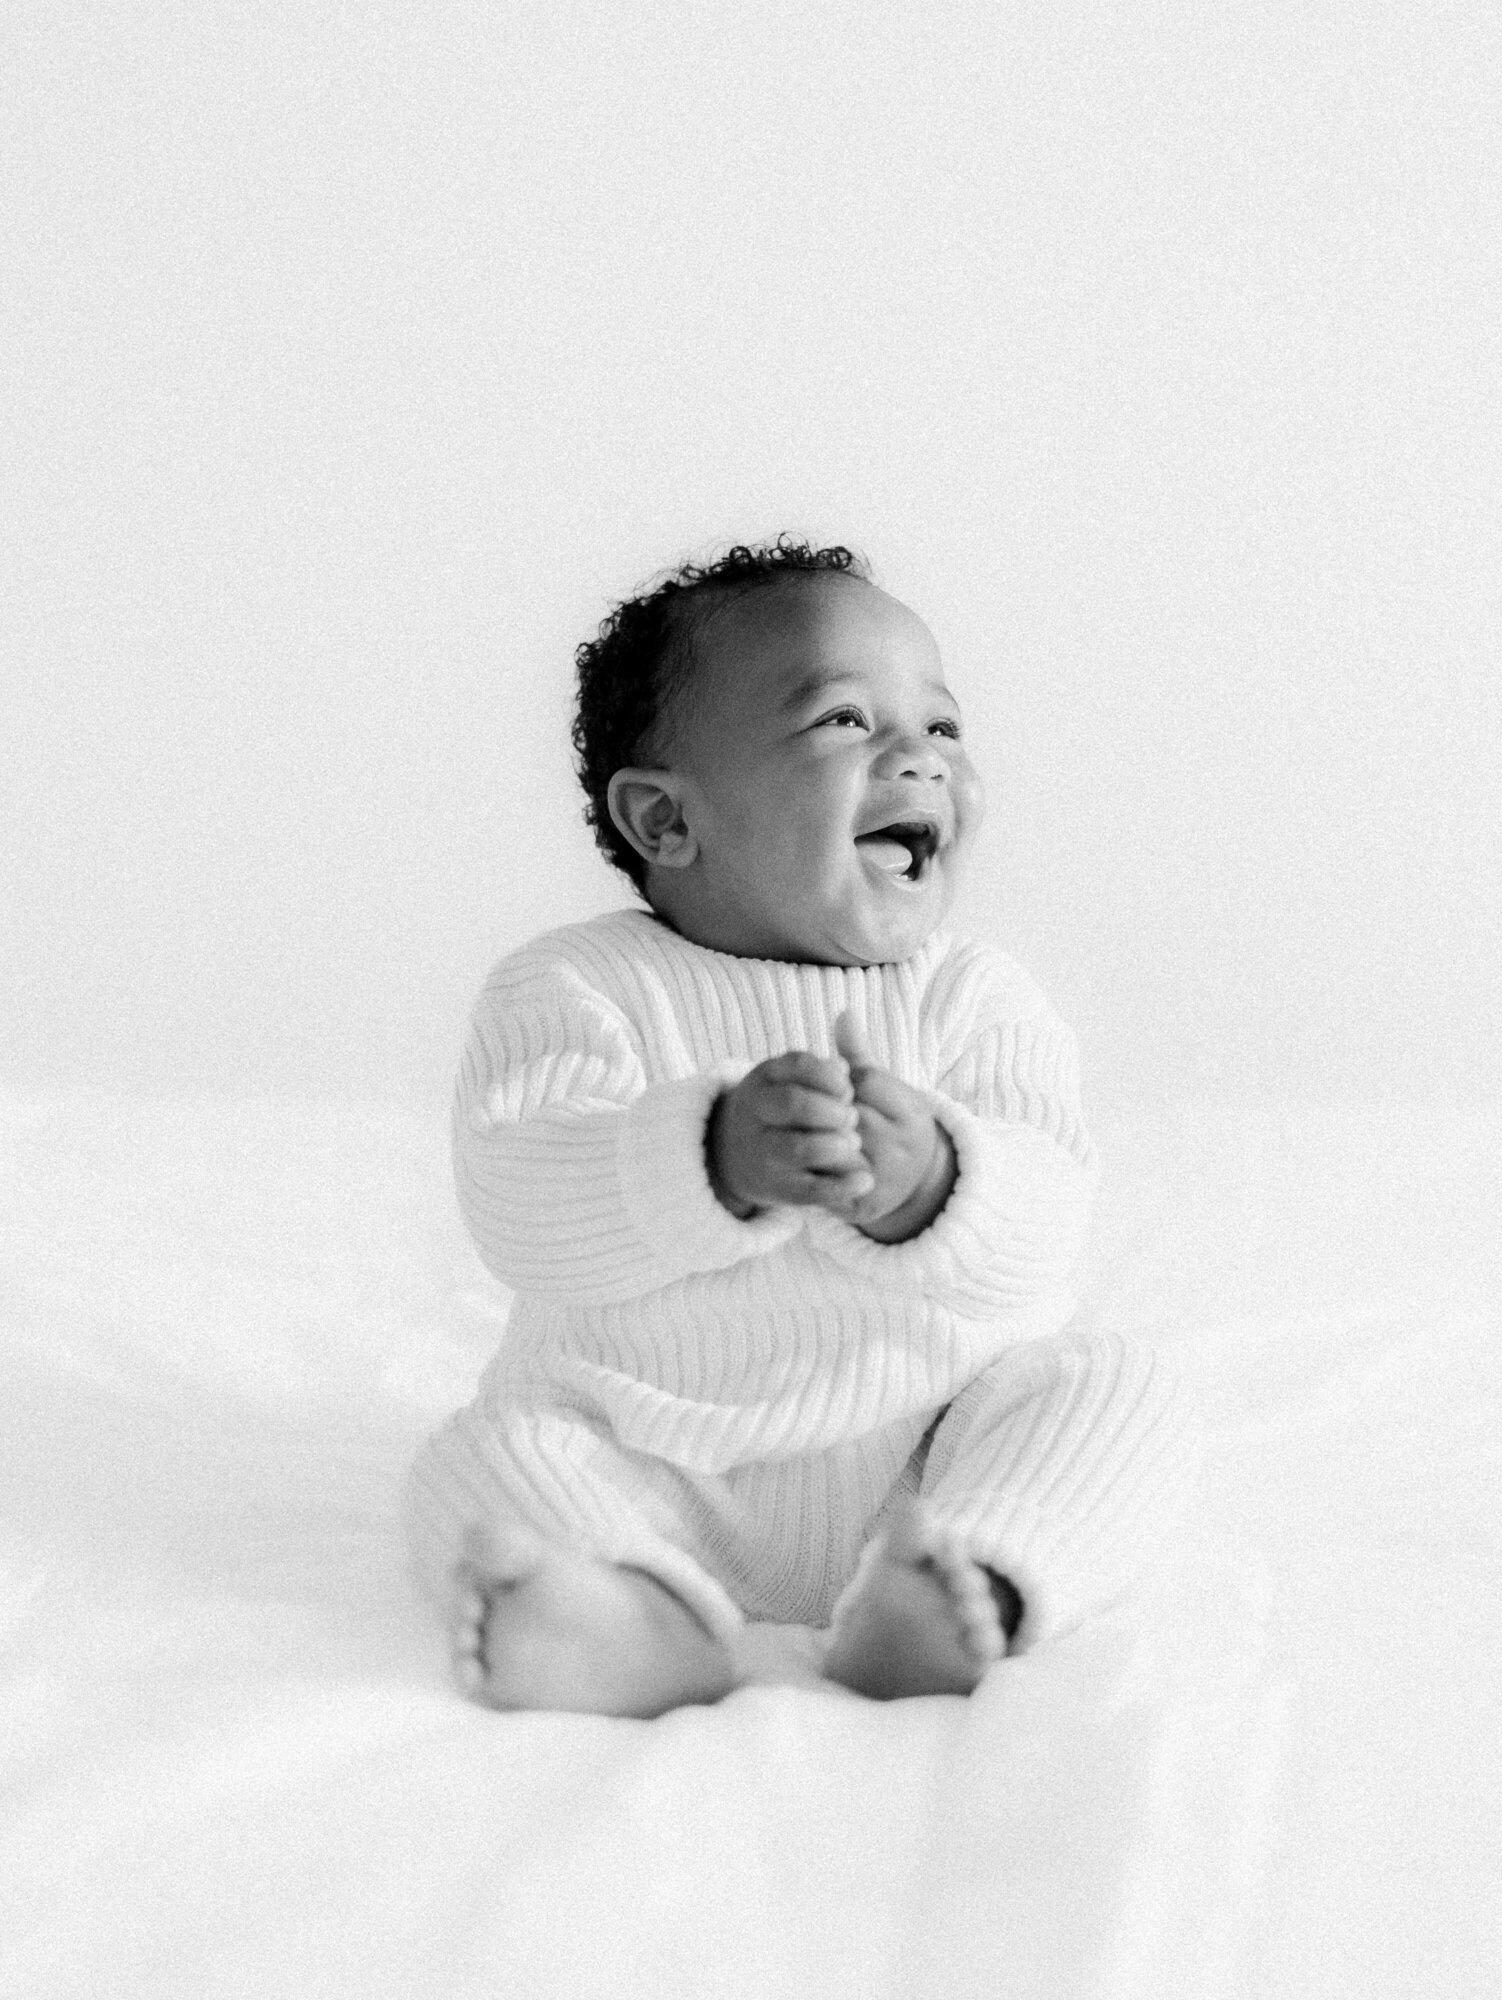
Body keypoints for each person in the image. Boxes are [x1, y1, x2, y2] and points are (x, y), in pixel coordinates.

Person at [406, 539, 1194, 1716]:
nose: (919, 759)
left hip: (923, 1448)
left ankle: (959, 1583)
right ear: (667, 819)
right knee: (481, 1458)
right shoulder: (571, 989)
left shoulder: (975, 997)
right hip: (648, 1448)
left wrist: (939, 1182)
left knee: (1115, 1386)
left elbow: (1047, 1226)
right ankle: (636, 1615)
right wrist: (706, 1156)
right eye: (843, 720)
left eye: (943, 726)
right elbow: (519, 1202)